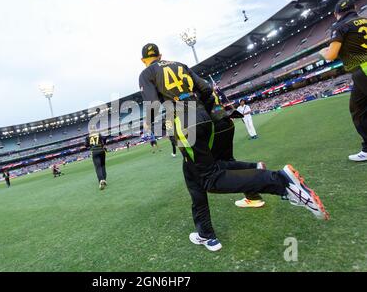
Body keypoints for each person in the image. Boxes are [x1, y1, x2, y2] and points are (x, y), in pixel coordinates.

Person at [139, 43, 329, 252]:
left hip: (185, 125)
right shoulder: (179, 64)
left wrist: (150, 125)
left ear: (143, 60)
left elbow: (152, 105)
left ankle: (280, 181)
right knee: (193, 175)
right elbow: (205, 89)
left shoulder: (147, 72)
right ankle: (206, 234)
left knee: (210, 179)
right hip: (203, 118)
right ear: (160, 55)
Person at [319, 0, 367, 162]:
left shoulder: (340, 26)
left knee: (358, 110)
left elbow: (331, 56)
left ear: (335, 14)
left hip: (363, 70)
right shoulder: (364, 20)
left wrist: (323, 52)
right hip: (361, 72)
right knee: (357, 109)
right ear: (355, 7)